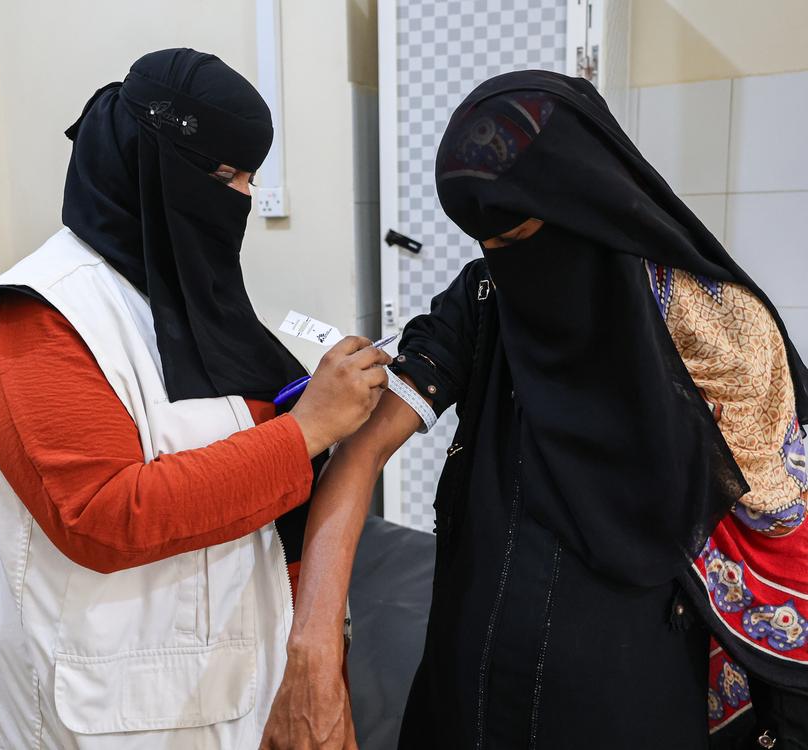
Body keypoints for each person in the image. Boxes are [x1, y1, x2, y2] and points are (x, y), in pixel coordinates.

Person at [261, 71, 808, 749]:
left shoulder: (713, 326)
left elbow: (779, 539)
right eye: (488, 246)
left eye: (522, 238)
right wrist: (313, 648)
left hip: (628, 694)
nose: (509, 266)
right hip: (473, 676)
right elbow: (364, 450)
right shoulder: (487, 298)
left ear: (585, 201)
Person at [0, 48, 388, 748]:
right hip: (109, 718)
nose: (243, 197)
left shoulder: (181, 299)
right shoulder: (38, 318)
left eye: (251, 176)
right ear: (145, 163)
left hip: (224, 687)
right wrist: (303, 432)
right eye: (225, 176)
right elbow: (101, 517)